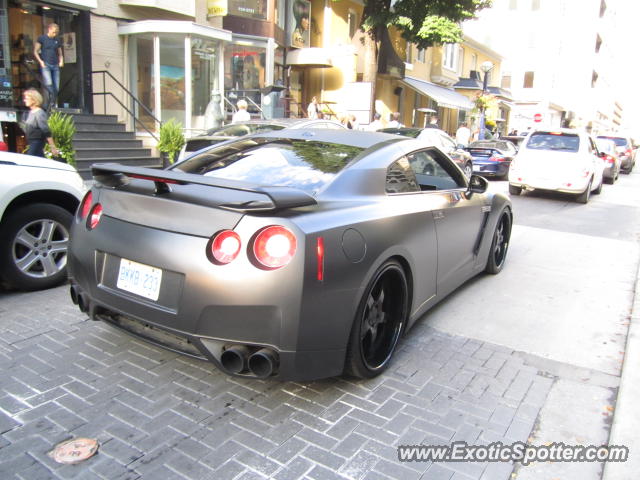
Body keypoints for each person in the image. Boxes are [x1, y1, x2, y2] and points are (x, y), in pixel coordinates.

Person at [22, 89, 59, 158]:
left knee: (29, 159)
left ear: (34, 100)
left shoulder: (39, 113)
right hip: (31, 142)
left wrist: (52, 146)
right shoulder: (30, 113)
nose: (24, 100)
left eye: (27, 98)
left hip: (37, 141)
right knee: (39, 159)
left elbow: (46, 130)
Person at [34, 23, 63, 109]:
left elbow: (60, 53)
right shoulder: (42, 38)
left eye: (56, 32)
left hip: (55, 65)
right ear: (49, 29)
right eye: (54, 32)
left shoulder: (57, 40)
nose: (55, 34)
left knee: (56, 87)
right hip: (46, 64)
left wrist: (61, 61)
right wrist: (41, 61)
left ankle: (52, 103)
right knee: (49, 84)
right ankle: (48, 104)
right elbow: (35, 51)